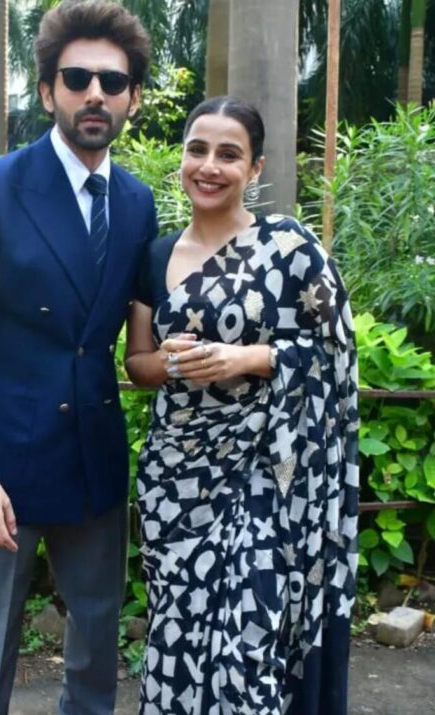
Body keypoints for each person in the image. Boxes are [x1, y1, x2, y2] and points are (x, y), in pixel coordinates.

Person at [0, 0, 157, 715]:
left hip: (94, 458)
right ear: (48, 91)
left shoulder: (138, 203)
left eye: (112, 82)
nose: (95, 94)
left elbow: (141, 326)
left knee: (97, 638)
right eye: (77, 78)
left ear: (133, 98)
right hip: (4, 469)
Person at [125, 96, 359, 715]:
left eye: (229, 154)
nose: (209, 166)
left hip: (265, 473)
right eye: (197, 150)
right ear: (181, 158)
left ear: (255, 169)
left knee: (251, 629)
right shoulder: (155, 255)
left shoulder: (290, 248)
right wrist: (172, 363)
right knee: (180, 627)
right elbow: (137, 363)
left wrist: (248, 358)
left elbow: (334, 349)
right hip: (177, 480)